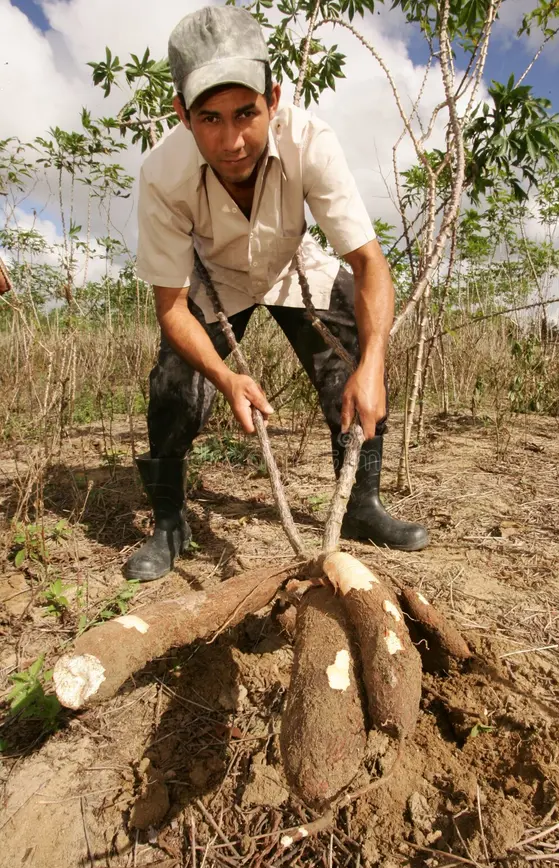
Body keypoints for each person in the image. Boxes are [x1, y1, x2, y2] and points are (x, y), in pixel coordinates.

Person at [128, 5, 429, 582]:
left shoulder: (310, 142)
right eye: (210, 118)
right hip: (215, 278)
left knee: (352, 347)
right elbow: (171, 307)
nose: (233, 140)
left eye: (247, 112)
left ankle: (362, 503)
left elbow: (370, 264)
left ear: (275, 97)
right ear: (183, 117)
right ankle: (169, 520)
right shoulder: (162, 174)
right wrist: (226, 376)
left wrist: (372, 365)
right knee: (174, 384)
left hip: (292, 264)